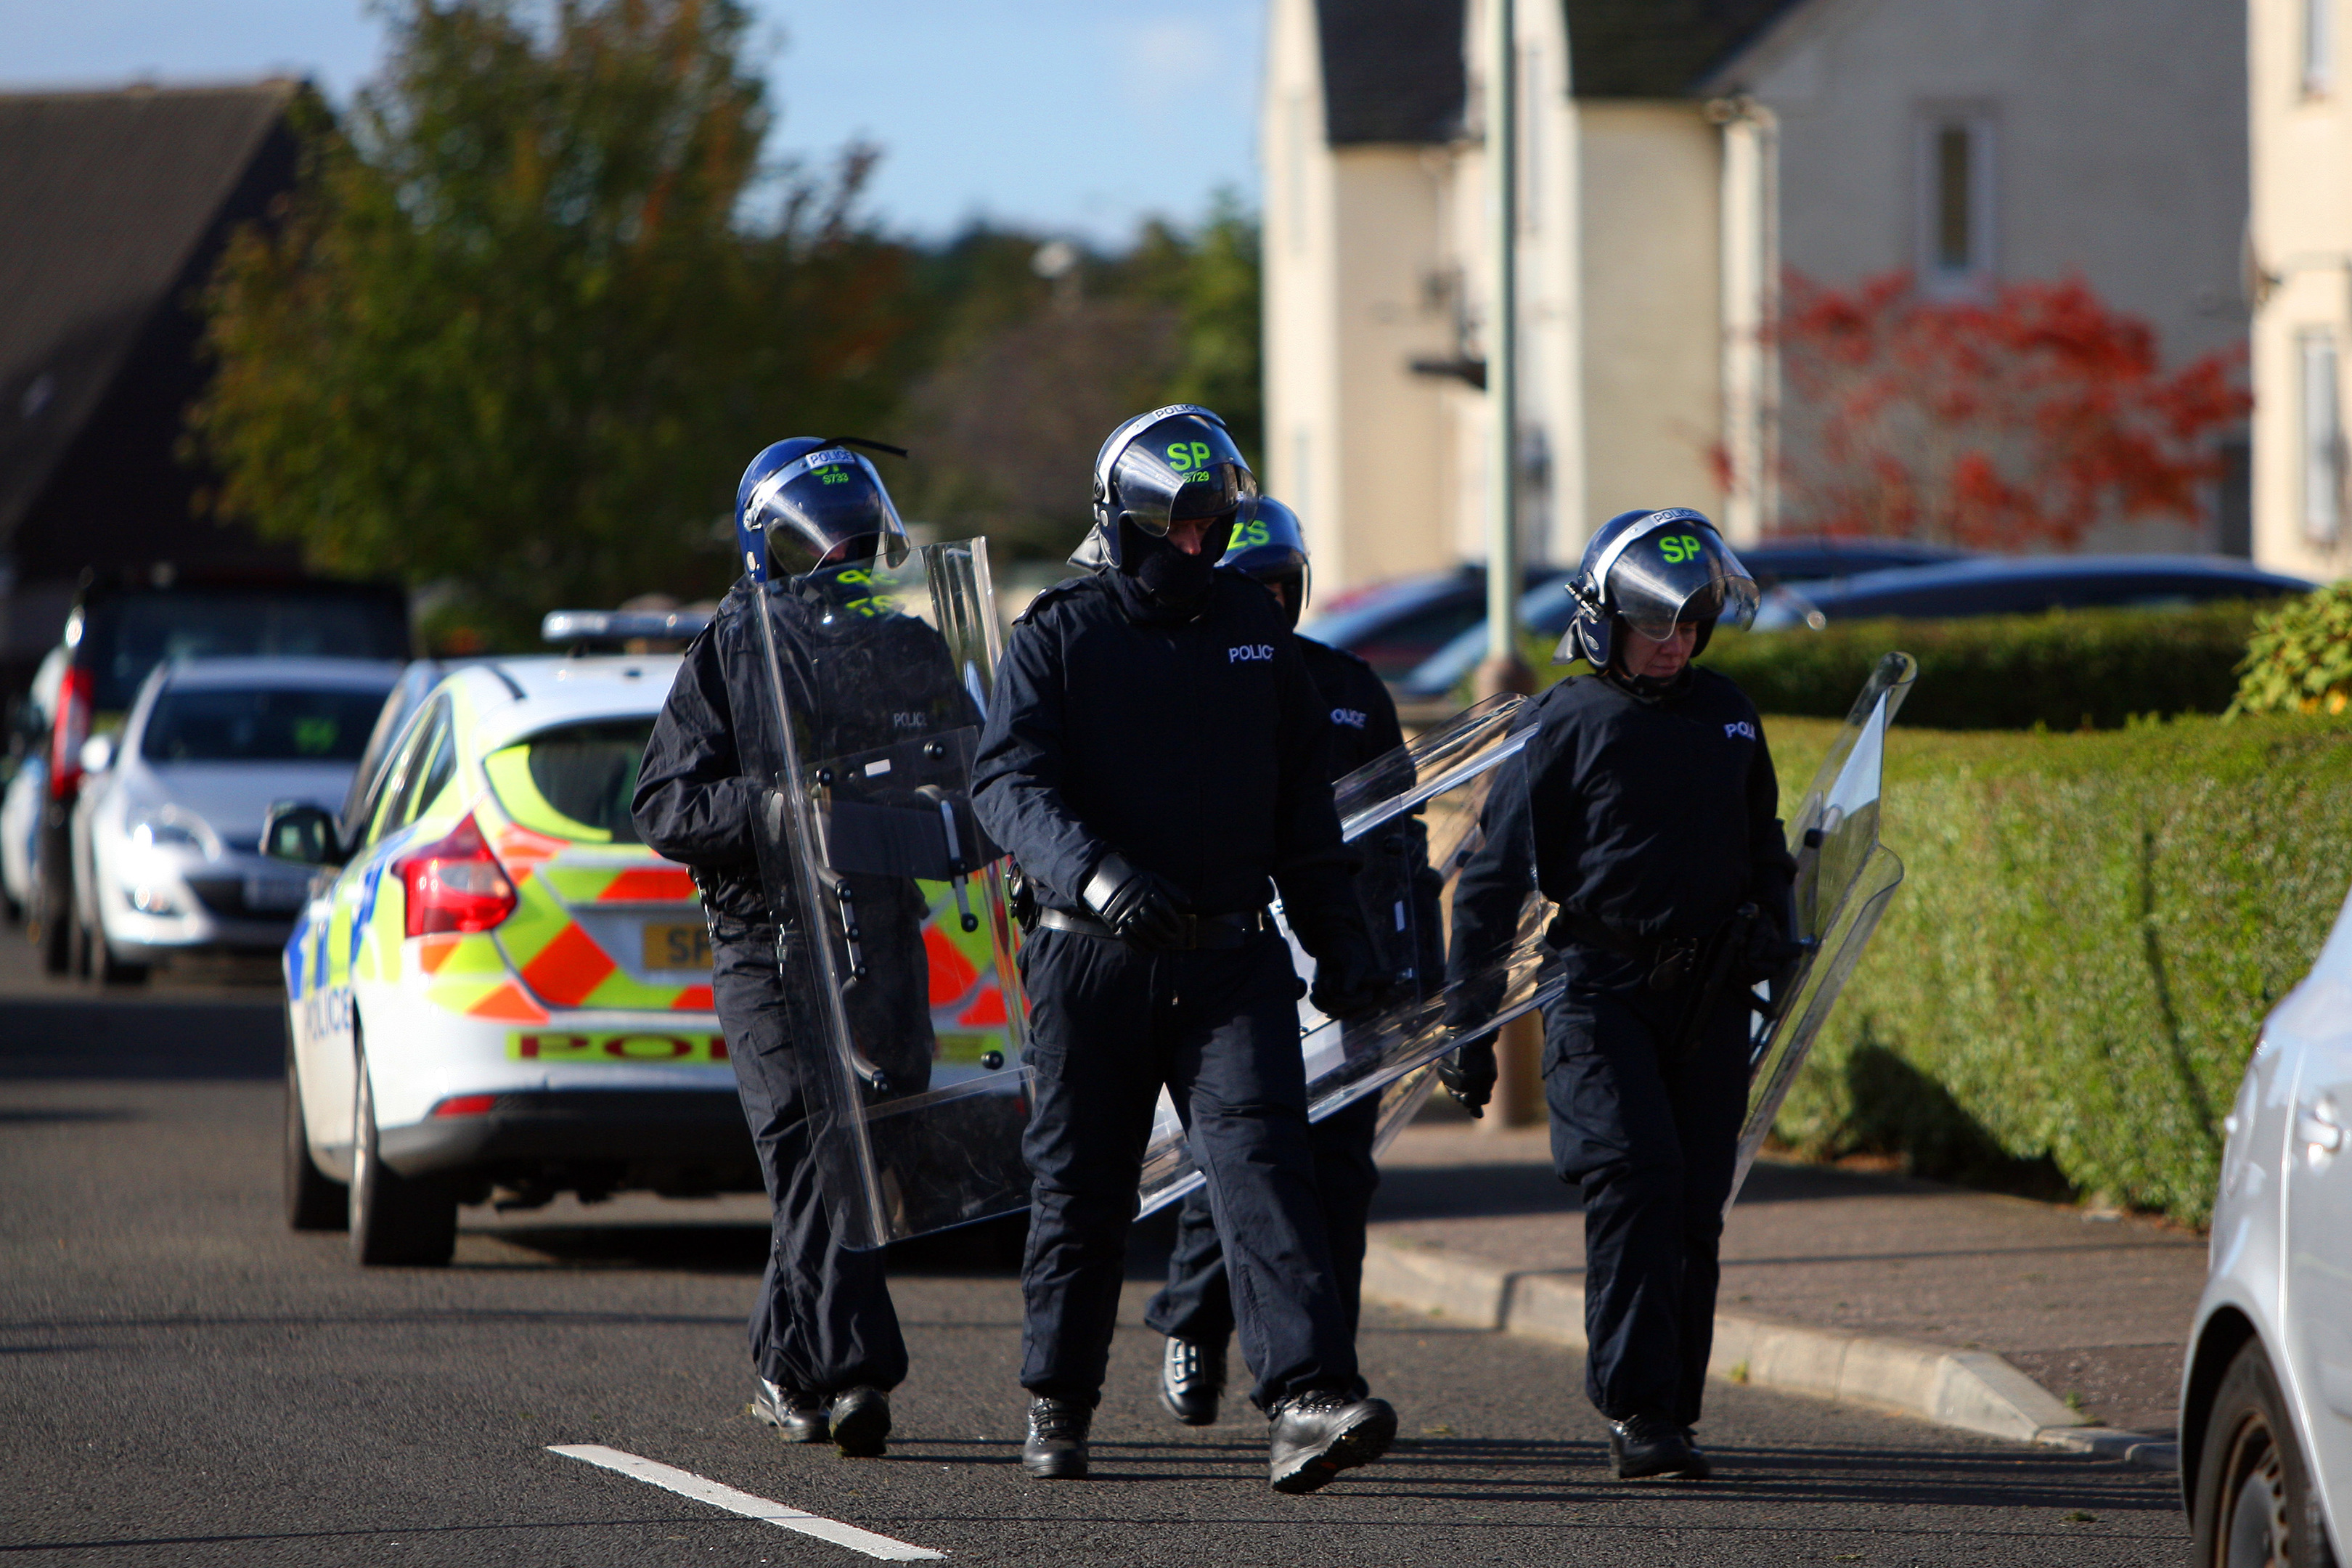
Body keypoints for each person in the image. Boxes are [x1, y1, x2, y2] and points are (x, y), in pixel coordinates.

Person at [971, 407, 1400, 1493]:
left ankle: (1306, 1399)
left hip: (1230, 961)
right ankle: (1058, 1402)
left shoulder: (1255, 640)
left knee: (1266, 1167)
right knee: (1083, 1188)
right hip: (1090, 959)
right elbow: (1004, 785)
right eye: (1179, 531)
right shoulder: (1058, 633)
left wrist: (1341, 943)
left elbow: (1304, 806)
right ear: (1122, 524)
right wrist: (1099, 875)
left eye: (1215, 529)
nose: (1200, 551)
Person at [1440, 507, 1799, 1482]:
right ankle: (1637, 1409)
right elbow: (1489, 881)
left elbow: (1762, 836)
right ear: (1606, 621)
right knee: (1634, 1181)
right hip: (1598, 990)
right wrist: (1464, 1029)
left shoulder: (1729, 711)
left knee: (1692, 1206)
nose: (1675, 642)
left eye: (1690, 623)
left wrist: (1778, 920)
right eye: (1655, 625)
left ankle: (1674, 1413)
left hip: (1711, 996)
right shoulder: (1564, 720)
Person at [634, 438, 955, 1460]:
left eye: (858, 541)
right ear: (771, 545)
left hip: (882, 933)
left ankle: (788, 1363)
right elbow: (663, 804)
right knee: (818, 1153)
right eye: (826, 542)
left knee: (870, 1152)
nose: (843, 560)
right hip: (768, 942)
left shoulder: (910, 650)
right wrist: (776, 811)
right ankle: (859, 1371)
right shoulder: (732, 649)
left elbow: (975, 778)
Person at [1143, 496, 1442, 1427]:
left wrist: (1418, 974)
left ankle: (1327, 1372)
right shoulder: (1191, 680)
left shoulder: (1349, 686)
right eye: (1250, 588)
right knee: (1234, 1158)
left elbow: (1405, 840)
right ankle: (1195, 1319)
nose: (1268, 604)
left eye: (1282, 587)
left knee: (1340, 1169)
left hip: (1343, 954)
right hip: (1238, 946)